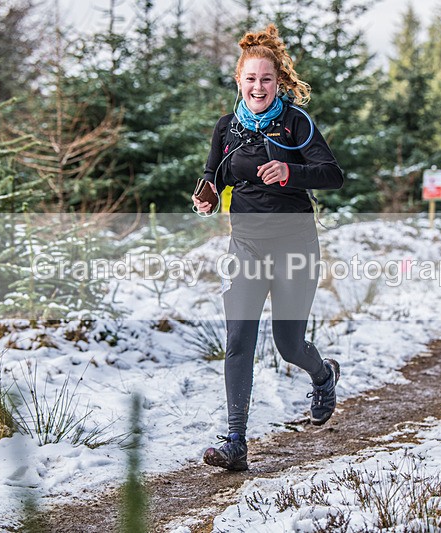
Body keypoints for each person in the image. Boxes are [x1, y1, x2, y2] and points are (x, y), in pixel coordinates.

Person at [192, 24, 344, 471]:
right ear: (239, 81)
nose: (258, 87)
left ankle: (323, 374)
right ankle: (235, 441)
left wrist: (290, 173)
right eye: (251, 79)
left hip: (295, 245)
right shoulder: (226, 128)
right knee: (238, 340)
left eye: (267, 80)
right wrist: (204, 197)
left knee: (288, 344)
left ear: (279, 82)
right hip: (246, 247)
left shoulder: (296, 123)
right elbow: (213, 178)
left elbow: (332, 174)